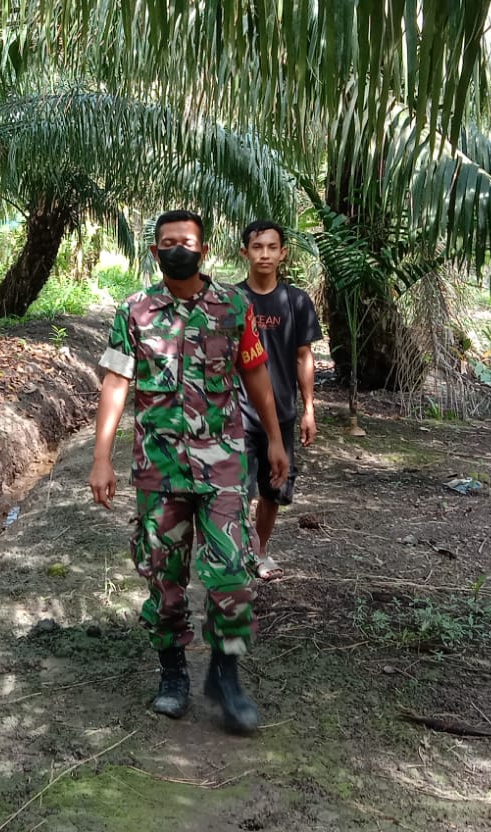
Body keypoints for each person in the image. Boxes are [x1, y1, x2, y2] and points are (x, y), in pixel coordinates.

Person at [88, 210, 288, 734]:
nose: (179, 248)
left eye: (188, 241)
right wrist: (101, 457)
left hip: (222, 464)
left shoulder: (233, 307)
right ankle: (173, 674)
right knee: (164, 579)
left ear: (204, 249)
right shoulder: (134, 311)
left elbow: (255, 372)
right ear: (155, 252)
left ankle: (226, 673)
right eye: (168, 242)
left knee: (233, 576)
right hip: (159, 469)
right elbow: (116, 383)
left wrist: (275, 439)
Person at [236, 219, 322, 581]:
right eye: (258, 247)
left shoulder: (297, 301)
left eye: (272, 247)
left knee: (273, 491)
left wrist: (309, 409)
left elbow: (304, 357)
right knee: (236, 490)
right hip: (237, 413)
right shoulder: (233, 300)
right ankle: (236, 554)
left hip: (283, 414)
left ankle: (260, 552)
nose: (265, 254)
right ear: (245, 252)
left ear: (283, 253)